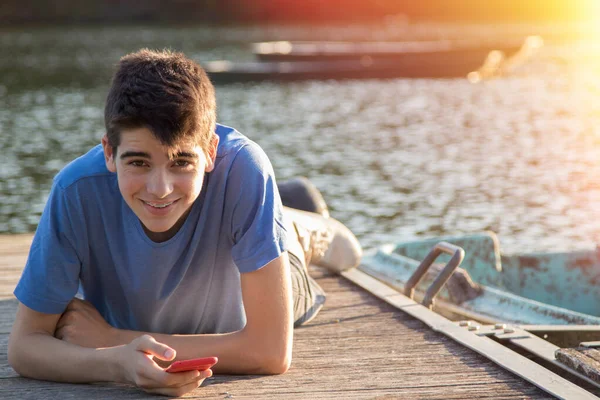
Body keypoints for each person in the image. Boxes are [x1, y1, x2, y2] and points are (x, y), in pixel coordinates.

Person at [7, 49, 362, 397]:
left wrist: (113, 341)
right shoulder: (75, 190)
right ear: (109, 153)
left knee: (340, 252)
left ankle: (297, 230)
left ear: (210, 151)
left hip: (247, 286)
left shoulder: (245, 169)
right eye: (139, 163)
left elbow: (270, 352)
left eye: (180, 163)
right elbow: (24, 347)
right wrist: (119, 363)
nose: (159, 189)